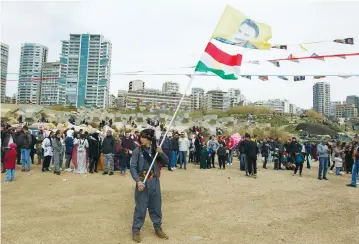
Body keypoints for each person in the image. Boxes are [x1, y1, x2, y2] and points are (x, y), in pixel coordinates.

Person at [130, 128, 169, 242]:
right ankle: (136, 230)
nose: (141, 139)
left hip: (154, 182)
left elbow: (166, 162)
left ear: (150, 139)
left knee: (156, 206)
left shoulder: (156, 150)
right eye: (141, 137)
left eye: (144, 137)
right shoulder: (138, 151)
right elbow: (132, 167)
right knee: (140, 208)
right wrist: (138, 181)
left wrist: (161, 152)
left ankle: (158, 228)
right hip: (143, 182)